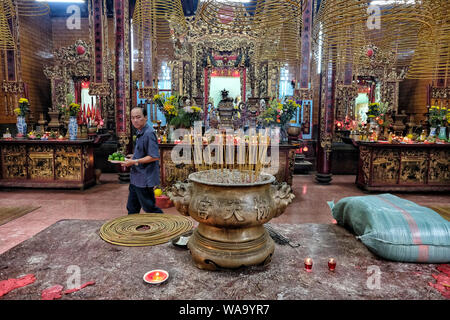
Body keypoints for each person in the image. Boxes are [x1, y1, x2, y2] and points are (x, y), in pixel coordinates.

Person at [122, 107, 163, 214]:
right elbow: (143, 153)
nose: (135, 120)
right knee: (132, 207)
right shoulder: (140, 132)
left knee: (150, 208)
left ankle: (165, 226)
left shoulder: (149, 133)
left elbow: (154, 156)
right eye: (133, 118)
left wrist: (134, 161)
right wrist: (133, 156)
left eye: (138, 117)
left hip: (144, 179)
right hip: (136, 178)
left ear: (145, 118)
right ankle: (133, 228)